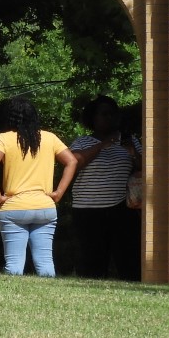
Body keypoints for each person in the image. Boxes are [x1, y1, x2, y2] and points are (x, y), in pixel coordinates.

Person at [0, 95, 78, 276]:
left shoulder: (4, 139)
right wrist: (58, 193)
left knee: (14, 264)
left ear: (10, 117)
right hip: (45, 207)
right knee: (45, 262)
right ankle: (49, 301)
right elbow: (72, 161)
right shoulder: (49, 138)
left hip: (14, 208)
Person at [67, 95, 143, 280]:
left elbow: (146, 170)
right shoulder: (83, 142)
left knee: (128, 260)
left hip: (120, 210)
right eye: (104, 114)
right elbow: (73, 163)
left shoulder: (129, 141)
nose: (109, 118)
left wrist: (133, 153)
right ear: (93, 118)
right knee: (91, 262)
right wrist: (103, 145)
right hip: (87, 212)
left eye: (112, 114)